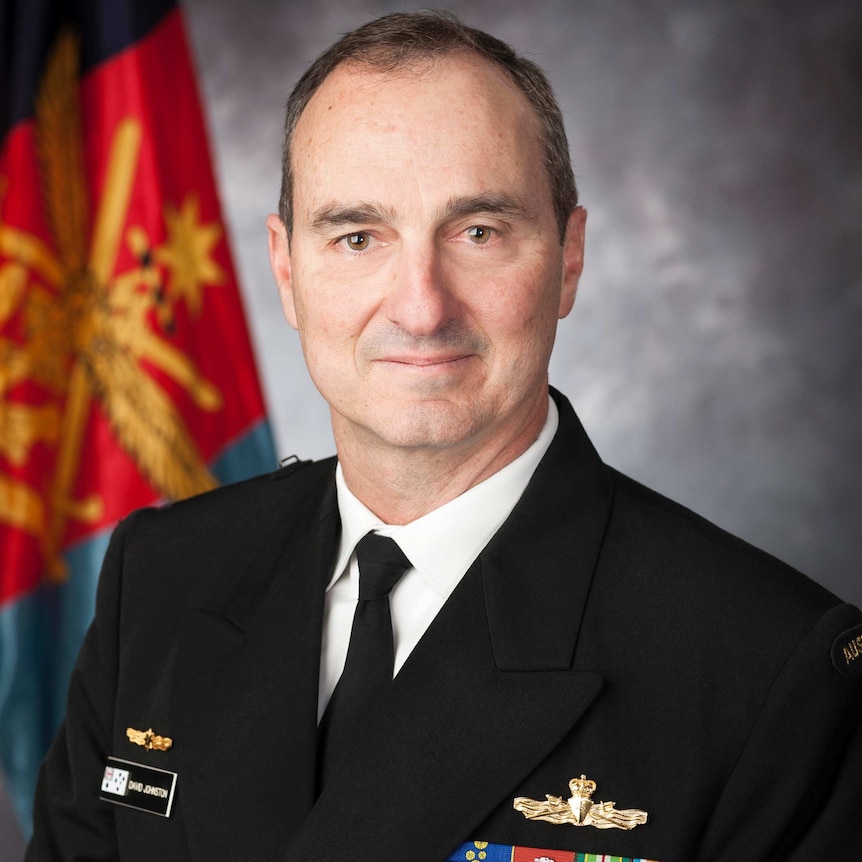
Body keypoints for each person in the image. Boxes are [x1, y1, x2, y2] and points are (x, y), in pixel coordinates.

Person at [27, 11, 862, 862]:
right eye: (357, 237)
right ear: (287, 271)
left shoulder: (765, 669)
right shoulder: (163, 579)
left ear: (569, 259)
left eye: (478, 233)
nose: (422, 306)